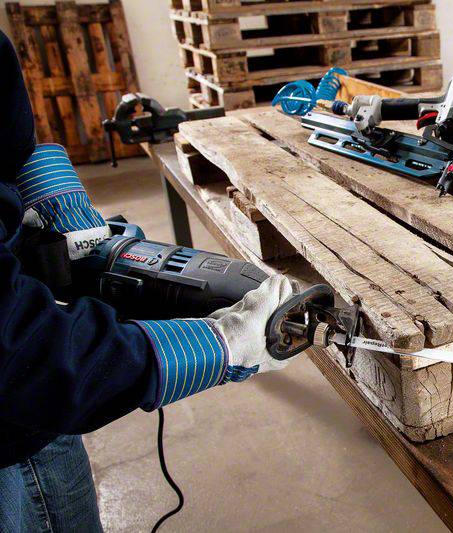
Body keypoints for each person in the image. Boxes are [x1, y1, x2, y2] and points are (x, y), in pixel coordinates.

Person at [0, 30, 300, 531]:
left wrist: (46, 187)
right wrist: (218, 345)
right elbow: (18, 358)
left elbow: (6, 135)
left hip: (37, 416)